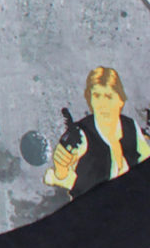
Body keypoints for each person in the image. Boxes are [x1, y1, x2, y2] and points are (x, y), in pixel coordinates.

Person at [45, 67, 150, 198]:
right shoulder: (80, 136)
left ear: (120, 101)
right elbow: (61, 179)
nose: (102, 104)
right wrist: (61, 168)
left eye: (108, 96)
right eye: (97, 96)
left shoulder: (130, 127)